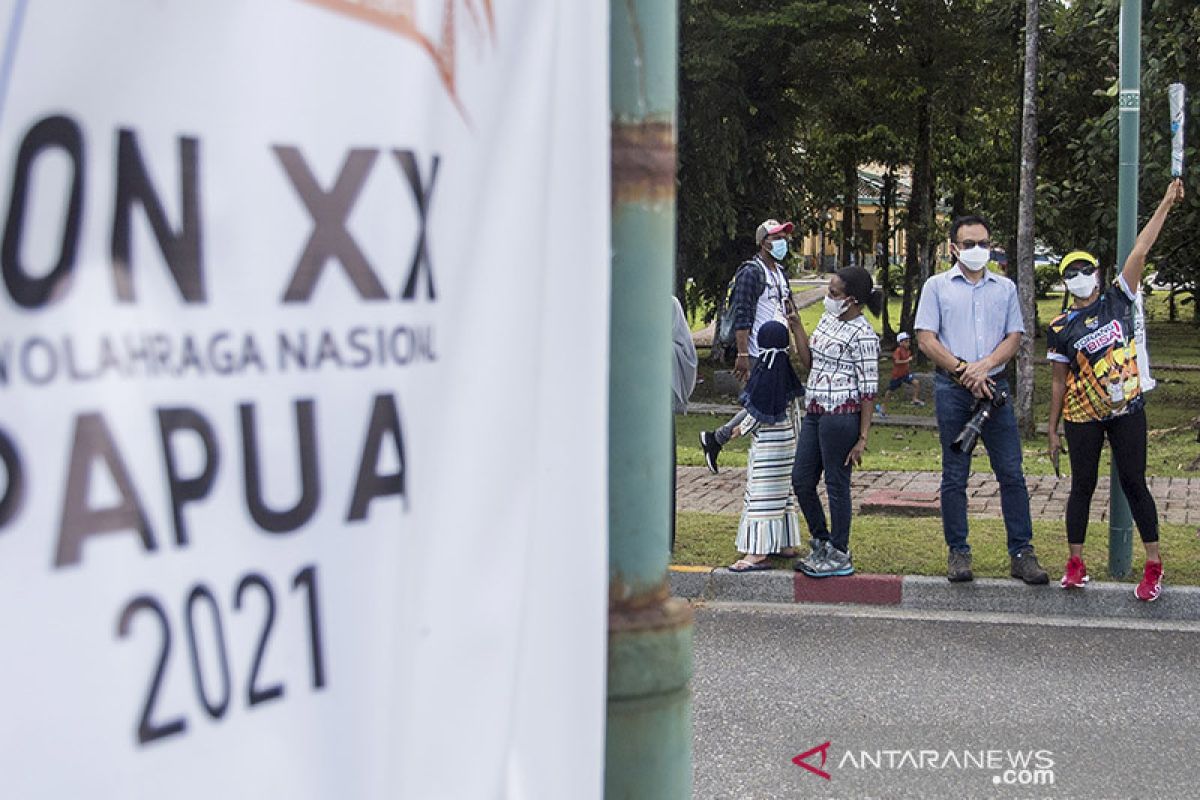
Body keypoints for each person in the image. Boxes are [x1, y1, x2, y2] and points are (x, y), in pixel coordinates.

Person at [1047, 179, 1184, 601]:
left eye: (1085, 269)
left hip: (1127, 410)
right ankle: (1075, 564)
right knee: (1081, 486)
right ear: (1064, 283)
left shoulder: (1118, 297)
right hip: (1081, 415)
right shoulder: (1059, 327)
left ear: (1098, 272)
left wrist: (1164, 202)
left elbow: (1141, 250)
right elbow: (1058, 380)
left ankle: (1153, 565)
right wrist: (1052, 430)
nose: (1079, 277)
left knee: (1134, 483)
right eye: (1070, 273)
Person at [914, 215, 1049, 585]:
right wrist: (963, 371)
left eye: (984, 244)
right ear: (954, 248)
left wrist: (985, 367)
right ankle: (958, 551)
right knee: (955, 475)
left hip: (995, 390)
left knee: (1011, 472)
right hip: (952, 390)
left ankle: (1021, 552)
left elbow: (1015, 336)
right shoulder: (936, 287)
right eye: (970, 244)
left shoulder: (1004, 288)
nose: (978, 251)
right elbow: (926, 339)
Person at [792, 266, 881, 578]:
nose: (828, 297)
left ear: (852, 300)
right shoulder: (828, 319)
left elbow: (869, 390)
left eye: (833, 293)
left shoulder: (864, 334)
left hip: (842, 415)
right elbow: (809, 363)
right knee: (802, 480)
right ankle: (822, 541)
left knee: (836, 483)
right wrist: (797, 328)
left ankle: (840, 552)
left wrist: (862, 437)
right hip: (815, 410)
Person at [699, 219, 807, 473]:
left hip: (778, 351)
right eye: (777, 237)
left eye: (784, 236)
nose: (782, 241)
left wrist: (793, 340)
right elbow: (743, 314)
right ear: (763, 242)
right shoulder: (752, 272)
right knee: (764, 407)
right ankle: (722, 440)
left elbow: (786, 309)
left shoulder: (779, 273)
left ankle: (717, 439)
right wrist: (743, 353)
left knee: (768, 406)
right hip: (759, 352)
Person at [727, 321, 810, 571]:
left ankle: (757, 552)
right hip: (787, 445)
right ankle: (785, 543)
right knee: (782, 494)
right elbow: (794, 410)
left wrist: (743, 428)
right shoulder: (786, 372)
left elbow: (759, 409)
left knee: (762, 495)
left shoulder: (765, 372)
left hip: (768, 447)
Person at [876, 331, 923, 417]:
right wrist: (907, 361)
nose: (908, 343)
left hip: (905, 374)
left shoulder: (907, 351)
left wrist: (908, 367)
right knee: (890, 391)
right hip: (897, 376)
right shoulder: (898, 351)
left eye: (908, 341)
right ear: (900, 342)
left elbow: (907, 363)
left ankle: (915, 399)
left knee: (916, 383)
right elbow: (896, 362)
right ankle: (883, 407)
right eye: (906, 341)